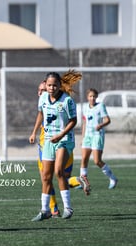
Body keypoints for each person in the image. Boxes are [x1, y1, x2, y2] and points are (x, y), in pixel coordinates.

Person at [29, 76, 90, 217]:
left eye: (54, 85)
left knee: (59, 172)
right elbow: (41, 114)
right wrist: (34, 132)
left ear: (59, 85)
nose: (51, 88)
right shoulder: (43, 98)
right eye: (49, 86)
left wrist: (61, 135)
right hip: (49, 141)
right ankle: (45, 211)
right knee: (45, 176)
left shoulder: (67, 101)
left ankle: (68, 209)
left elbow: (74, 121)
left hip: (64, 140)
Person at [80, 88, 118, 189]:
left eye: (94, 96)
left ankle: (112, 178)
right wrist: (82, 137)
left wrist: (100, 125)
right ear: (87, 97)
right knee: (84, 159)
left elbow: (107, 120)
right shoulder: (85, 107)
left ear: (96, 97)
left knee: (97, 161)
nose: (92, 98)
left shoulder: (100, 106)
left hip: (97, 135)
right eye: (90, 96)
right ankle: (83, 182)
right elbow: (84, 122)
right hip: (87, 136)